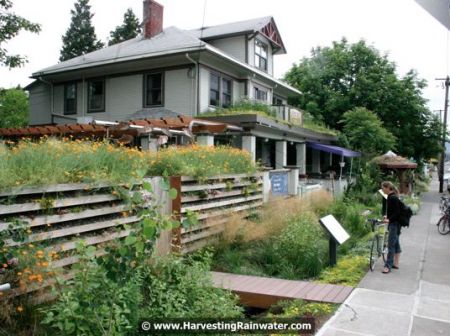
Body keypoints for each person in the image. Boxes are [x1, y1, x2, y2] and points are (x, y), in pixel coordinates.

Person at [381, 181, 402, 274]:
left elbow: (397, 212)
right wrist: (387, 216)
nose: (382, 190)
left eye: (383, 188)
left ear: (387, 188)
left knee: (391, 245)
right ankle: (396, 263)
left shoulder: (392, 198)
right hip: (396, 223)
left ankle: (388, 266)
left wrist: (389, 220)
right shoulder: (391, 197)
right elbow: (393, 211)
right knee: (396, 243)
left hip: (394, 224)